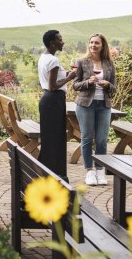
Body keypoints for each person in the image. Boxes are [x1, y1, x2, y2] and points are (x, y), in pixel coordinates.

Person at [72, 33, 117, 186]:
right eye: (91, 42)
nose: (93, 45)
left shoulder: (109, 64)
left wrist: (106, 85)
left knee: (102, 140)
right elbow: (75, 85)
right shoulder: (82, 62)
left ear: (102, 45)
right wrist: (88, 82)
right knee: (86, 139)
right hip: (85, 105)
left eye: (96, 43)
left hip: (103, 105)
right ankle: (89, 172)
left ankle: (100, 171)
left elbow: (114, 89)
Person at [38, 30, 77, 182]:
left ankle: (47, 172)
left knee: (50, 139)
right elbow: (53, 86)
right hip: (54, 100)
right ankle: (58, 176)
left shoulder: (44, 57)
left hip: (47, 101)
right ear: (52, 43)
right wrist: (69, 77)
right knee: (56, 140)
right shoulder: (53, 61)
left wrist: (64, 75)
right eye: (60, 39)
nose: (63, 42)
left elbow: (51, 80)